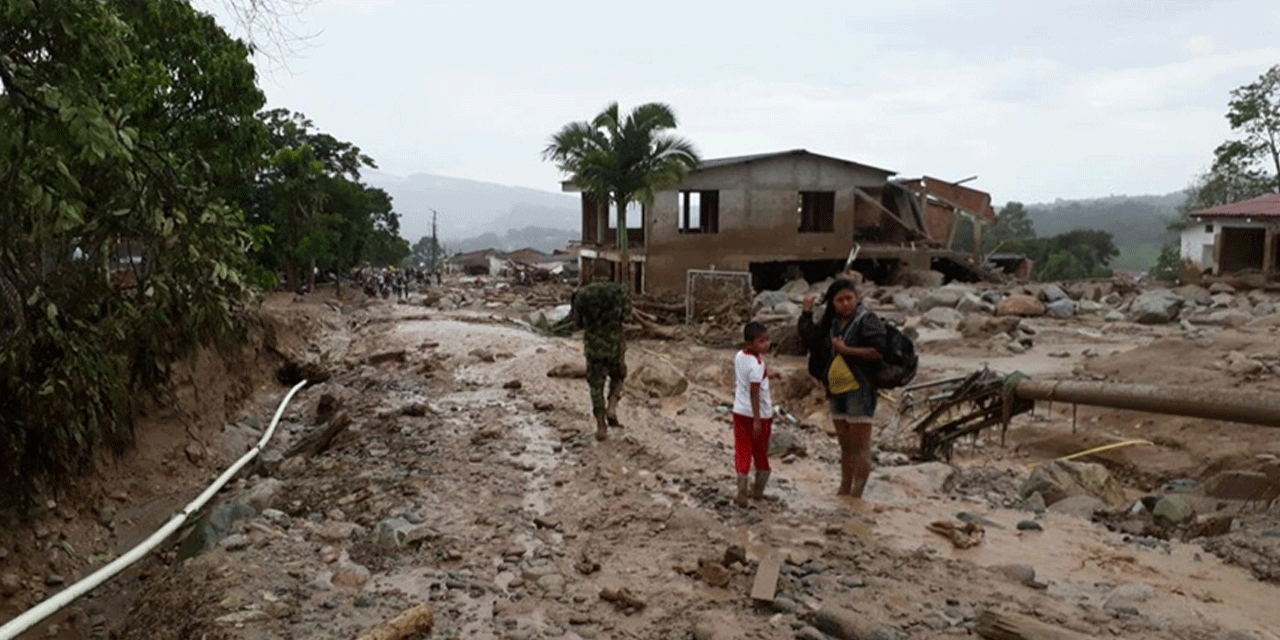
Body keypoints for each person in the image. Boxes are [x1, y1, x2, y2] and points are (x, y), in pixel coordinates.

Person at [799, 279, 887, 499]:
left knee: (860, 444)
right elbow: (809, 337)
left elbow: (878, 351)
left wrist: (846, 350)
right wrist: (807, 313)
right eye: (840, 300)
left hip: (861, 387)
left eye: (850, 298)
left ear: (856, 298)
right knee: (845, 444)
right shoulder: (832, 323)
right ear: (832, 303)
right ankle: (844, 489)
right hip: (836, 388)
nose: (846, 303)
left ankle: (857, 494)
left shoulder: (867, 320)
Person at [569, 266, 630, 441]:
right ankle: (612, 407)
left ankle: (601, 425)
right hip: (615, 345)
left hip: (594, 347)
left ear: (592, 274)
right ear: (609, 274)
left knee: (596, 386)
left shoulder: (582, 294)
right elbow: (627, 317)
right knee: (618, 376)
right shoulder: (619, 291)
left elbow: (577, 324)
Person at [732, 322, 776, 507]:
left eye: (767, 339)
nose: (766, 344)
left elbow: (751, 379)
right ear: (750, 343)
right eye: (761, 341)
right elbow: (754, 391)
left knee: (742, 450)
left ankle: (742, 490)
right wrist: (757, 420)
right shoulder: (757, 364)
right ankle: (757, 492)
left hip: (739, 411)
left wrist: (771, 375)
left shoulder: (740, 356)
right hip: (760, 415)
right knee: (760, 452)